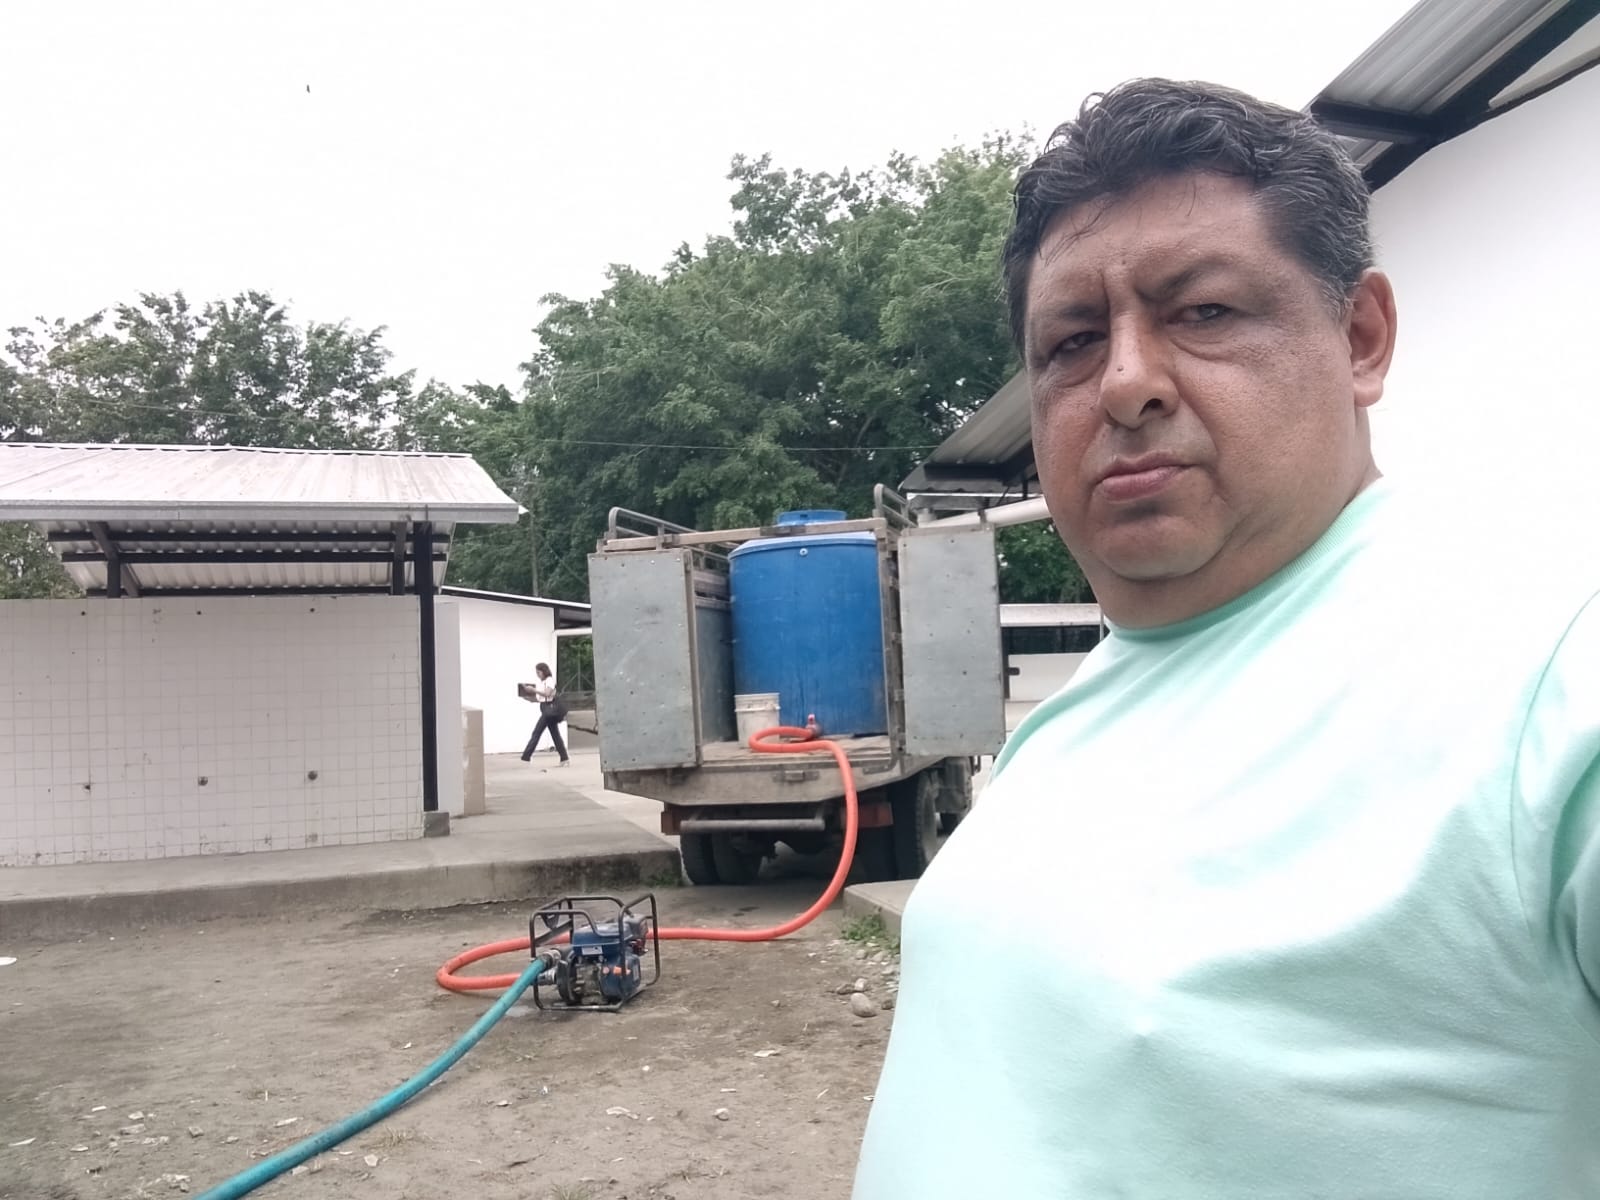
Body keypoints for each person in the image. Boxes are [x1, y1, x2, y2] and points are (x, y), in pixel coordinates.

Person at [853, 79, 1599, 1199]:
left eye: (1202, 312)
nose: (1125, 382)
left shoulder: (1547, 681)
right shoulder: (1091, 699)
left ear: (1360, 338)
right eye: (1071, 340)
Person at [520, 662, 569, 767]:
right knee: (555, 735)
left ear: (543, 671)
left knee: (537, 732)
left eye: (538, 672)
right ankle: (564, 758)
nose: (538, 675)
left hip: (549, 710)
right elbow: (541, 698)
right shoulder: (542, 683)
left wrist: (533, 690)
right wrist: (528, 697)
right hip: (546, 709)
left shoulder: (549, 680)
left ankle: (526, 757)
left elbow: (547, 694)